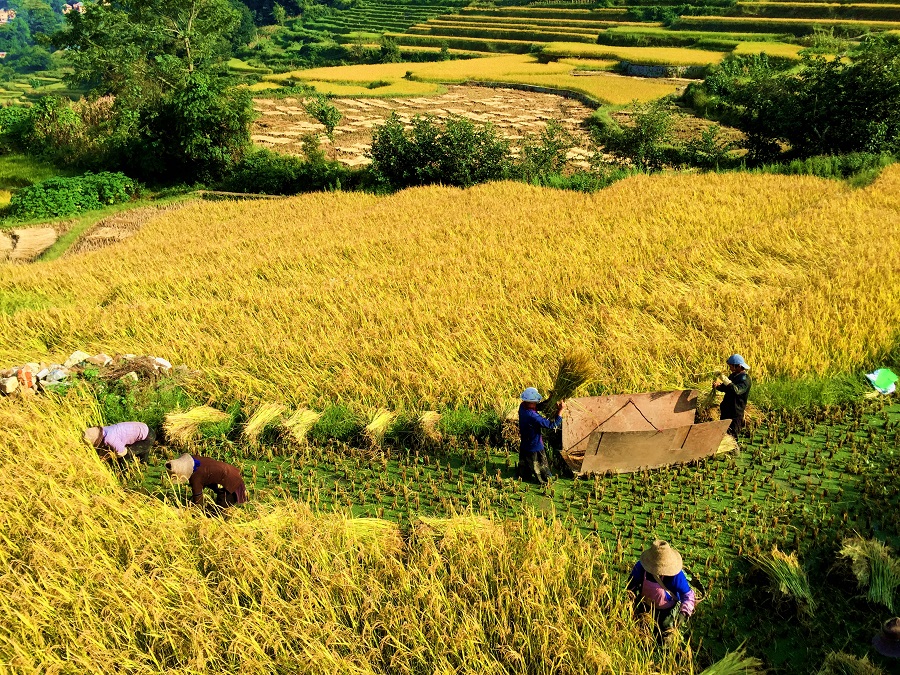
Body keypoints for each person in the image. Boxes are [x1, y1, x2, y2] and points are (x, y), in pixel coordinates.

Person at [627, 540, 696, 642]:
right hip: (645, 608)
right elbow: (630, 586)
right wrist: (631, 602)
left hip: (666, 613)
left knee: (665, 640)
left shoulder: (676, 575)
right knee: (641, 637)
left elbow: (688, 596)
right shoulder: (641, 567)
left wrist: (683, 614)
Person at [165, 453, 248, 509]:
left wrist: (195, 512)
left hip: (231, 481)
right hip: (230, 471)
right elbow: (207, 476)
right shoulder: (196, 460)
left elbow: (198, 500)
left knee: (222, 509)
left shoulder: (196, 478)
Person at [517, 387, 563, 484]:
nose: (536, 403)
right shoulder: (533, 416)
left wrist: (551, 399)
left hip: (525, 441)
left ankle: (524, 475)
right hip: (535, 445)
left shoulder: (523, 406)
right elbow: (552, 425)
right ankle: (544, 479)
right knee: (540, 464)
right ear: (531, 402)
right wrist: (560, 411)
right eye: (535, 402)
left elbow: (539, 406)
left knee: (525, 461)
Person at [713, 353, 752, 438]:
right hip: (726, 410)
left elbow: (736, 391)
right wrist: (718, 386)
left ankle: (734, 451)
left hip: (735, 413)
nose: (730, 368)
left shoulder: (745, 380)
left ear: (738, 366)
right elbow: (726, 388)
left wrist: (725, 380)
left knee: (733, 437)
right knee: (723, 434)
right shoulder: (733, 375)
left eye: (731, 366)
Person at [83, 422, 155, 463]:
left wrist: (106, 458)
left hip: (147, 437)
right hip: (144, 428)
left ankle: (125, 476)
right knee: (142, 455)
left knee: (124, 457)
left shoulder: (110, 438)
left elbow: (122, 452)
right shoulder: (105, 430)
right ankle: (144, 462)